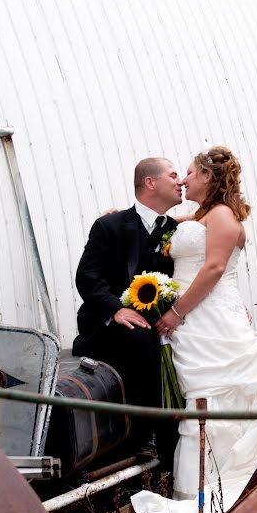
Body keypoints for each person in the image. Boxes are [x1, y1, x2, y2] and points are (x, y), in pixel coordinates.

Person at [131, 146, 257, 513]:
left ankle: (230, 485)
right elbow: (168, 223)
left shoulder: (221, 215)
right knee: (203, 397)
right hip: (196, 325)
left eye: (188, 172)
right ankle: (205, 485)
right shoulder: (204, 214)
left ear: (207, 177)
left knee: (220, 392)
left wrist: (175, 311)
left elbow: (214, 269)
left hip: (210, 318)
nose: (184, 180)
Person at [72, 157, 183, 465]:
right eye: (173, 175)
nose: (180, 182)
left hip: (163, 322)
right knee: (139, 339)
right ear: (150, 183)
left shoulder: (178, 231)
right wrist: (116, 311)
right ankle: (145, 434)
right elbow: (87, 277)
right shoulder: (109, 225)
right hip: (111, 326)